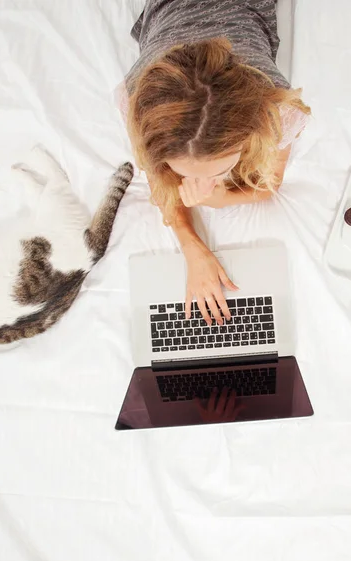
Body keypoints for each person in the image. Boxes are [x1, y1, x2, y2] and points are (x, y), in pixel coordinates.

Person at [119, 0, 310, 325]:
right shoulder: (139, 104)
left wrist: (216, 199)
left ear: (252, 130)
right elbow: (158, 180)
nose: (206, 182)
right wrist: (192, 248)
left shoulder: (279, 110)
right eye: (184, 174)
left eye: (221, 170)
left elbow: (269, 185)